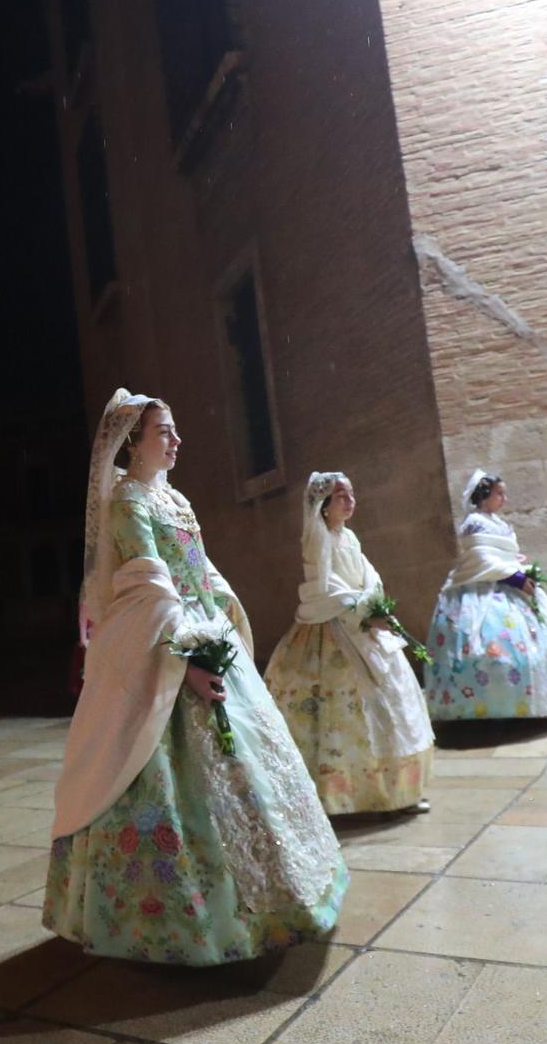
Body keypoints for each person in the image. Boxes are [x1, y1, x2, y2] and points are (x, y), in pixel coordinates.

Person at [45, 390, 348, 964]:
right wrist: (183, 661)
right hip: (167, 648)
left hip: (204, 635)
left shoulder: (176, 499)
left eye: (176, 430)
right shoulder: (127, 502)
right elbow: (148, 587)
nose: (177, 441)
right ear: (132, 440)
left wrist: (221, 620)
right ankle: (175, 926)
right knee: (159, 773)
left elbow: (199, 570)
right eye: (165, 432)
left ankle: (281, 896)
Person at [264, 472, 435, 814]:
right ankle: (339, 796)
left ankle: (395, 793)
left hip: (363, 625)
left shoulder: (349, 537)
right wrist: (362, 611)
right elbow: (324, 587)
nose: (350, 500)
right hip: (333, 629)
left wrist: (374, 605)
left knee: (388, 705)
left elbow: (369, 576)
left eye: (352, 494)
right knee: (344, 709)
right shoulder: (317, 535)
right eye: (341, 495)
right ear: (324, 505)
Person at [424, 471, 547, 720]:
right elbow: (481, 558)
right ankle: (489, 708)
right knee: (489, 649)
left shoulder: (497, 523)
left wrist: (519, 567)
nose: (504, 499)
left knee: (531, 646)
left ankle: (532, 702)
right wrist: (515, 577)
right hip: (482, 590)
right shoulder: (474, 522)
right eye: (500, 493)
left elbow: (503, 553)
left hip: (509, 584)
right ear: (484, 494)